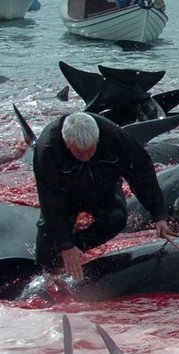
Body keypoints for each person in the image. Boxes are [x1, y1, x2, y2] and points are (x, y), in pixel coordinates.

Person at [33, 112, 170, 282]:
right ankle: (62, 255)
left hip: (103, 187)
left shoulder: (115, 137)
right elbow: (50, 201)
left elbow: (142, 173)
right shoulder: (47, 150)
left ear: (97, 139)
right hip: (65, 195)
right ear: (67, 145)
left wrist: (158, 214)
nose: (85, 157)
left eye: (90, 151)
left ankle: (78, 245)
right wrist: (64, 245)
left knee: (117, 219)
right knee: (46, 256)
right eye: (79, 153)